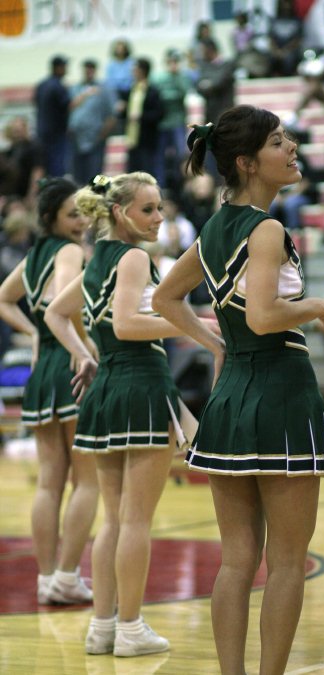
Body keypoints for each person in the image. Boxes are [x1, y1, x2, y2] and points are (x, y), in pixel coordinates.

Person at [152, 105, 324, 674]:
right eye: (278, 140)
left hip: (230, 398)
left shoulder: (214, 229)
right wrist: (320, 306)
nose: (291, 145)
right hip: (281, 392)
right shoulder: (267, 228)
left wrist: (218, 345)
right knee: (288, 560)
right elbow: (267, 315)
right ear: (247, 162)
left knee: (236, 561)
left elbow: (165, 299)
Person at [44, 171, 216, 657]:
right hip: (140, 384)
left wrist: (85, 354)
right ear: (120, 213)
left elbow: (57, 313)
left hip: (108, 387)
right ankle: (132, 627)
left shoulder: (98, 261)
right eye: (148, 209)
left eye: (160, 208)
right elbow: (125, 322)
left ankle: (103, 626)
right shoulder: (136, 256)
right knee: (134, 519)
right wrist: (197, 325)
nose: (159, 217)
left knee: (115, 519)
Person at [0, 177, 98, 604]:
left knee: (49, 482)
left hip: (42, 373)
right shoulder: (71, 251)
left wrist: (35, 333)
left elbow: (4, 298)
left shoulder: (35, 253)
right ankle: (67, 577)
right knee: (87, 480)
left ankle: (46, 579)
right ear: (52, 218)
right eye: (72, 214)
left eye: (83, 213)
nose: (81, 221)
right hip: (72, 364)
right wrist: (84, 343)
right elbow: (62, 300)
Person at [68, 59, 117, 186]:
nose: (88, 71)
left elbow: (112, 116)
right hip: (76, 138)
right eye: (86, 68)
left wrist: (101, 136)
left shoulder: (104, 89)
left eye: (91, 68)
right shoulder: (75, 88)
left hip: (95, 139)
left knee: (96, 176)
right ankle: (79, 201)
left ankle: (98, 198)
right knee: (77, 175)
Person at [154, 49, 192, 190]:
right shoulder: (158, 77)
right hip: (162, 124)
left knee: (180, 155)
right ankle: (161, 185)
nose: (173, 65)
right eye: (170, 62)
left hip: (177, 121)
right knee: (160, 157)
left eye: (175, 62)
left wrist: (177, 77)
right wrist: (173, 95)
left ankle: (181, 184)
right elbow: (158, 95)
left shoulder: (183, 77)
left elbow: (186, 91)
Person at [125, 58, 164, 184]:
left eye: (135, 69)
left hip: (146, 138)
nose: (132, 72)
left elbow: (159, 114)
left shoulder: (152, 91)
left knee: (147, 172)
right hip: (132, 137)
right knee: (133, 172)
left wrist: (140, 117)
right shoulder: (132, 89)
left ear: (142, 71)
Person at [34, 55, 71, 177]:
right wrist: (85, 95)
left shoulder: (42, 85)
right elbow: (69, 105)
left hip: (42, 131)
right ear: (58, 68)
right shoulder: (58, 86)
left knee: (45, 166)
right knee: (57, 167)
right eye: (65, 66)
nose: (66, 69)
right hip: (56, 133)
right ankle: (58, 194)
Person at [0, 116, 45, 209]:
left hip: (28, 196)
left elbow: (38, 171)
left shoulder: (33, 147)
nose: (17, 134)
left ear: (26, 129)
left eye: (19, 130)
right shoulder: (12, 149)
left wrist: (32, 194)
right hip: (14, 197)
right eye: (14, 131)